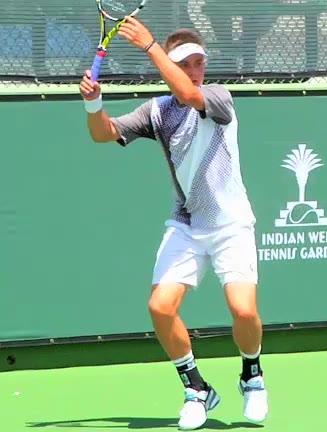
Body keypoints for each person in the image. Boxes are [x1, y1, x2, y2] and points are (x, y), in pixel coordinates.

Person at [78, 17, 268, 431]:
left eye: (199, 63)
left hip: (231, 224)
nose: (194, 70)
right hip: (187, 223)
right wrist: (94, 103)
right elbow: (103, 133)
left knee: (244, 310)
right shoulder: (157, 111)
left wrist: (149, 46)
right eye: (186, 64)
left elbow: (188, 93)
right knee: (160, 307)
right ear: (172, 66)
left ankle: (252, 374)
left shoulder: (218, 97)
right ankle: (196, 389)